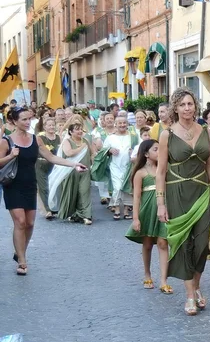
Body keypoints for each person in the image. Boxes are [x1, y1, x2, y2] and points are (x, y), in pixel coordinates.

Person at [156, 87, 210, 316]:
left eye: (190, 104)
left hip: (201, 191)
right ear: (175, 108)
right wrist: (161, 204)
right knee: (183, 243)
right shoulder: (167, 134)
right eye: (182, 104)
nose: (187, 108)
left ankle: (196, 285)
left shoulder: (205, 131)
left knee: (202, 244)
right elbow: (160, 171)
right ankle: (190, 295)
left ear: (196, 106)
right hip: (177, 192)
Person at [0, 107, 87, 275]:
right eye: (23, 119)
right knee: (20, 222)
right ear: (15, 121)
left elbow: (52, 157)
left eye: (29, 119)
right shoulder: (6, 141)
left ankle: (20, 252)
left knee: (30, 223)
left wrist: (74, 164)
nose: (27, 122)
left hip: (30, 185)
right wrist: (11, 155)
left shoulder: (36, 140)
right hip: (13, 185)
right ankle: (22, 261)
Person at [125, 139, 172, 294]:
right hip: (147, 209)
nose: (159, 152)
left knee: (163, 243)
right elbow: (136, 197)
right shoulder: (140, 173)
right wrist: (135, 218)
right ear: (146, 154)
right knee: (147, 244)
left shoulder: (164, 169)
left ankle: (164, 280)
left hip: (163, 208)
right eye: (155, 149)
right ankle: (147, 274)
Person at [104, 115, 137, 220]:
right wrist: (110, 150)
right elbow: (103, 151)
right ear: (116, 124)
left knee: (127, 187)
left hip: (129, 166)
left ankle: (126, 210)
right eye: (120, 123)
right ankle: (117, 208)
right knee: (117, 187)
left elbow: (140, 148)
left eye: (124, 123)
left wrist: (134, 153)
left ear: (127, 124)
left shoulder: (133, 136)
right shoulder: (110, 137)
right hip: (115, 166)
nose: (122, 125)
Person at [36, 117, 61, 219]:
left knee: (53, 186)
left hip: (54, 166)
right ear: (45, 127)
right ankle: (47, 210)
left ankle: (54, 207)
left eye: (52, 125)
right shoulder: (40, 137)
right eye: (49, 125)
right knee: (44, 187)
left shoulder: (58, 137)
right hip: (41, 165)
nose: (51, 127)